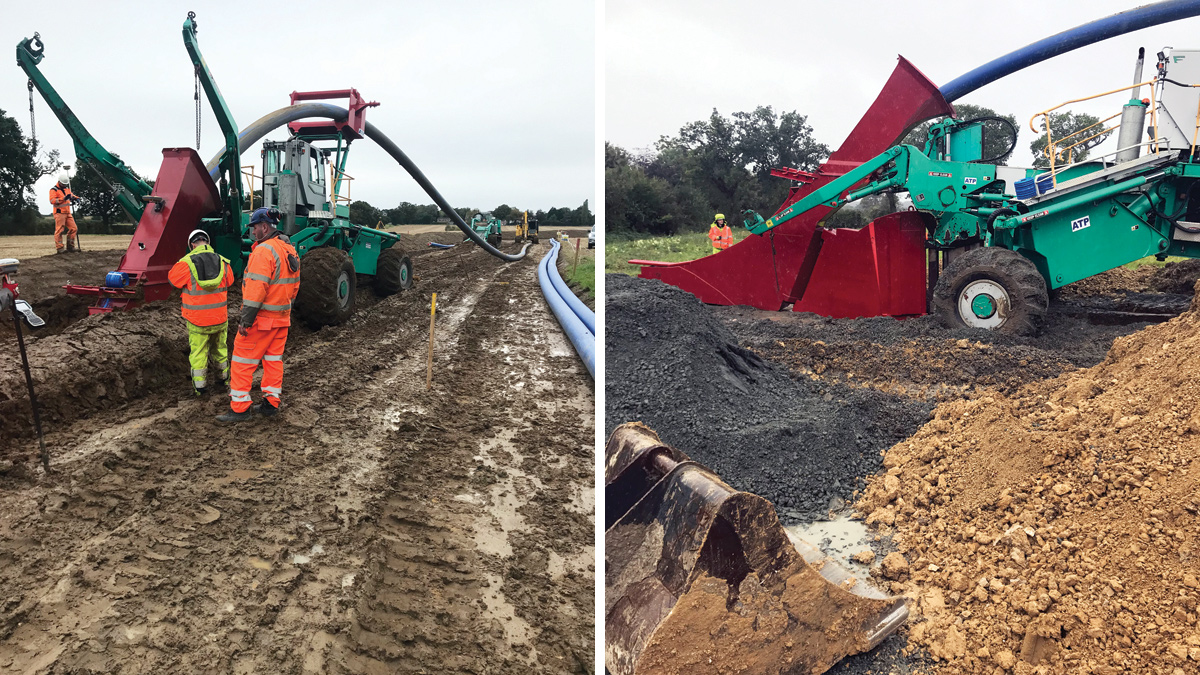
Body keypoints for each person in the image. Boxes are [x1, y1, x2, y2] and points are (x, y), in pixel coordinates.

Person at [217, 208, 301, 423]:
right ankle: (270, 404)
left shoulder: (264, 251)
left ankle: (240, 409)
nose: (253, 232)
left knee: (241, 362)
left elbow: (256, 290)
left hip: (262, 320)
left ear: (264, 227)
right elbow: (294, 287)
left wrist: (246, 320)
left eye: (254, 227)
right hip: (282, 319)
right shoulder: (289, 249)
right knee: (273, 362)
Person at [168, 229, 235, 396]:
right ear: (208, 242)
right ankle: (222, 380)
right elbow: (231, 281)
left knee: (199, 353)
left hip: (197, 320)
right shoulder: (223, 262)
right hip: (220, 318)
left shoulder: (186, 263)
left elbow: (173, 280)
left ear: (192, 245)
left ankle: (200, 388)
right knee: (220, 350)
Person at [48, 172, 80, 254]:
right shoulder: (53, 190)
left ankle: (70, 246)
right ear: (59, 182)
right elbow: (52, 201)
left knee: (74, 228)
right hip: (59, 213)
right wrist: (63, 198)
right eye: (63, 184)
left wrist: (76, 198)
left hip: (67, 212)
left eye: (65, 184)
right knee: (60, 230)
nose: (64, 185)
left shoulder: (67, 189)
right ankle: (60, 248)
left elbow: (71, 195)